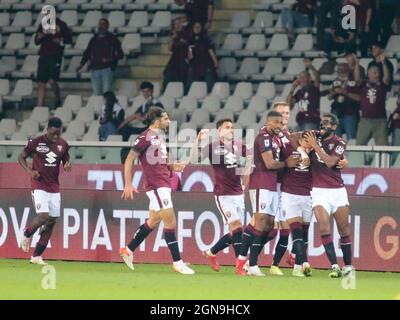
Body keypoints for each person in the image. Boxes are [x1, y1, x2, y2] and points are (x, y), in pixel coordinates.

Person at [119, 107, 195, 275]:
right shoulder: (144, 137)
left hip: (163, 182)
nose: (169, 121)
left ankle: (128, 249)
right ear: (157, 120)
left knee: (153, 221)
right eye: (166, 118)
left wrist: (173, 166)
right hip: (156, 186)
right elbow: (129, 159)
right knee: (171, 222)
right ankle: (177, 262)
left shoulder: (159, 138)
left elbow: (163, 162)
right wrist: (128, 183)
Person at [235, 111, 300, 276]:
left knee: (270, 227)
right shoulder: (263, 137)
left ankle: (246, 260)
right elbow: (270, 163)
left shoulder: (276, 138)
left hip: (272, 185)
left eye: (281, 123)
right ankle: (250, 263)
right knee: (261, 222)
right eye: (276, 123)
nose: (279, 126)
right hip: (261, 183)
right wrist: (287, 163)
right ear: (268, 122)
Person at [190, 119, 251, 273]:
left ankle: (211, 253)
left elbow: (251, 158)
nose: (230, 130)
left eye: (232, 127)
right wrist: (197, 141)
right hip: (223, 194)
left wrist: (245, 182)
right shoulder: (213, 147)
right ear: (219, 131)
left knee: (234, 232)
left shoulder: (238, 145)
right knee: (237, 227)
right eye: (227, 127)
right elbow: (193, 159)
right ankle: (241, 266)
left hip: (238, 193)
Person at [303, 114, 354, 278]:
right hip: (319, 191)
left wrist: (315, 147)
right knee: (324, 228)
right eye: (321, 123)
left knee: (343, 229)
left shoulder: (340, 142)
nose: (322, 126)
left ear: (333, 126)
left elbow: (331, 162)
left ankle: (348, 266)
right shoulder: (314, 136)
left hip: (337, 191)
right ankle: (334, 266)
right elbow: (296, 137)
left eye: (326, 123)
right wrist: (302, 148)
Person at [18, 117, 71, 265]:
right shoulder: (36, 142)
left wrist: (67, 165)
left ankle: (36, 256)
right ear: (47, 129)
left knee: (52, 221)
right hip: (39, 184)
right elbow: (20, 158)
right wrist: (30, 172)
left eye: (58, 134)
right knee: (43, 216)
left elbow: (66, 160)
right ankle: (27, 233)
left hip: (54, 187)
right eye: (53, 133)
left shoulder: (63, 144)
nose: (56, 136)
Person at [268, 101, 312, 277]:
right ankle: (249, 258)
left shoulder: (290, 134)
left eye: (287, 113)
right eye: (281, 113)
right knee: (267, 227)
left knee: (287, 228)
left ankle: (281, 263)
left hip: (286, 186)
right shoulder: (270, 135)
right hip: (272, 186)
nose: (285, 116)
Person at [348, 55, 391, 146]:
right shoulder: (363, 84)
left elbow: (387, 77)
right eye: (374, 72)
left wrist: (383, 63)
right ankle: (359, 160)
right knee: (359, 145)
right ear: (368, 74)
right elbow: (357, 79)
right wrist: (357, 64)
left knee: (383, 146)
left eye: (377, 72)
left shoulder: (382, 85)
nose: (376, 74)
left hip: (380, 120)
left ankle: (383, 161)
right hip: (365, 120)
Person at [77, 18, 124, 95]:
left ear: (107, 26)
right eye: (100, 24)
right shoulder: (94, 39)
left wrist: (110, 59)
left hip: (107, 69)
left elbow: (120, 54)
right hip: (95, 69)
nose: (101, 26)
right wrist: (81, 64)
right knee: (96, 93)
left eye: (103, 24)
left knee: (107, 92)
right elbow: (87, 52)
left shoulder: (112, 38)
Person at [34, 18, 72, 108]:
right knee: (41, 83)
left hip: (55, 57)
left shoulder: (62, 24)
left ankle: (57, 97)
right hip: (43, 56)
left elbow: (69, 40)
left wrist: (61, 40)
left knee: (52, 81)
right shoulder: (43, 24)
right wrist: (40, 36)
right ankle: (39, 107)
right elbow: (36, 41)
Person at [328, 63, 360, 140]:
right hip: (336, 112)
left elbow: (359, 98)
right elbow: (329, 97)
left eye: (343, 70)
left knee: (351, 137)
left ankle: (352, 152)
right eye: (339, 70)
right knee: (336, 138)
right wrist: (335, 92)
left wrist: (346, 93)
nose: (341, 72)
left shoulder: (353, 82)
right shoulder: (335, 81)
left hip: (350, 112)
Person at [287, 59, 321, 131]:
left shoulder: (313, 88)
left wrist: (311, 67)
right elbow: (289, 106)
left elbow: (317, 78)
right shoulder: (299, 92)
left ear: (309, 78)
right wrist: (292, 89)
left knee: (306, 138)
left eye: (304, 77)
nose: (302, 79)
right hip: (301, 121)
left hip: (312, 121)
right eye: (300, 77)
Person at [186, 21, 218, 93]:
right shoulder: (190, 40)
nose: (197, 28)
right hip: (195, 65)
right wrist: (189, 55)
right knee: (194, 86)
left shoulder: (206, 39)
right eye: (195, 27)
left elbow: (211, 52)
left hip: (206, 64)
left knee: (209, 85)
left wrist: (215, 62)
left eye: (199, 27)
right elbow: (189, 55)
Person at [163, 18, 190, 90]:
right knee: (168, 74)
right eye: (175, 24)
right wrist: (172, 37)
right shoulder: (173, 35)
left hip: (183, 59)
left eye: (179, 23)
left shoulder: (186, 34)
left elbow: (182, 44)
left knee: (181, 79)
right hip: (174, 59)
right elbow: (169, 48)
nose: (177, 25)